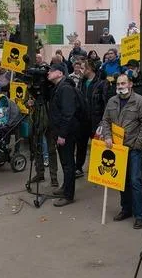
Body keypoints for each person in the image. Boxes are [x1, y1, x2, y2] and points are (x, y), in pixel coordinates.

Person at [100, 74, 142, 228]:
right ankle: (126, 209)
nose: (120, 86)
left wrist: (138, 144)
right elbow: (106, 120)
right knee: (121, 182)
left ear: (130, 84)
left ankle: (140, 215)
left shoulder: (141, 102)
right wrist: (107, 137)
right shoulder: (112, 101)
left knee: (135, 181)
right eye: (118, 83)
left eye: (123, 83)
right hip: (117, 148)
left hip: (133, 148)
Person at [44, 63, 84, 207]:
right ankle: (65, 188)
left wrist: (62, 134)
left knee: (68, 164)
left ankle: (68, 195)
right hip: (61, 131)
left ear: (60, 73)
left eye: (51, 71)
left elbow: (68, 113)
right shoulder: (58, 87)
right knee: (65, 163)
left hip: (66, 133)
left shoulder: (65, 89)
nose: (48, 73)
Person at [78, 58, 108, 178]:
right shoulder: (81, 82)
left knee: (98, 145)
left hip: (96, 119)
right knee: (81, 145)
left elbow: (105, 102)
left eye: (82, 67)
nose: (81, 70)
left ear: (89, 69)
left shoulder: (101, 83)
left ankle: (98, 169)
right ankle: (78, 167)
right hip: (83, 120)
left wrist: (104, 120)